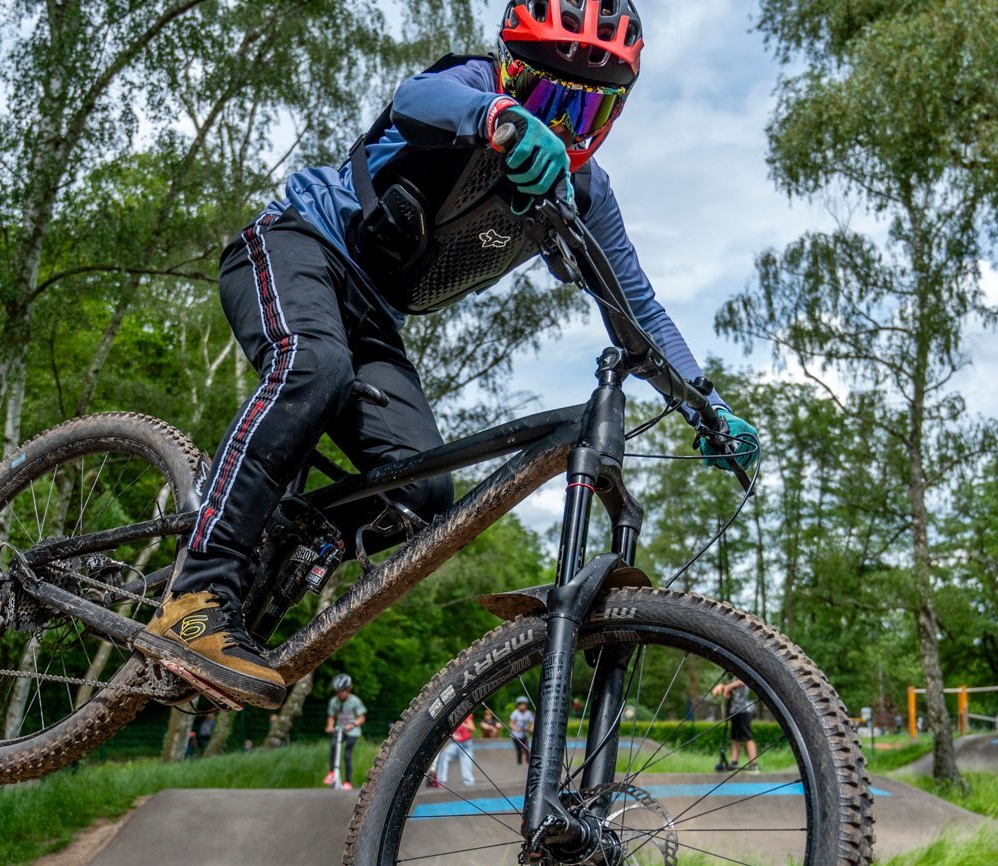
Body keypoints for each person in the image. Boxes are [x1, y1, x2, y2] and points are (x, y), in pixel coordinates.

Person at [129, 0, 759, 711]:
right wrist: (500, 118)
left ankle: (278, 547)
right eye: (545, 97)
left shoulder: (586, 193)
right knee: (314, 366)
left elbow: (635, 308)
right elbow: (414, 99)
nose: (558, 124)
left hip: (373, 319)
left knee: (421, 492)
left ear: (613, 115)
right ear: (511, 75)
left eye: (581, 113)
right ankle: (197, 593)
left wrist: (705, 403)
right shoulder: (467, 84)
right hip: (294, 246)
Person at [324, 674, 366, 790]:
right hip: (340, 730)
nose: (340, 694)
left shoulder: (355, 701)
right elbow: (331, 716)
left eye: (342, 691)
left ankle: (348, 782)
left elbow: (362, 718)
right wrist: (330, 726)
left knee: (347, 755)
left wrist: (353, 724)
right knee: (333, 746)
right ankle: (332, 773)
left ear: (348, 689)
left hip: (353, 731)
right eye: (338, 692)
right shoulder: (334, 701)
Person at [711, 678, 758, 770]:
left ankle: (754, 764)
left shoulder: (742, 673)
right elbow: (732, 688)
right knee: (735, 737)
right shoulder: (733, 678)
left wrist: (727, 687)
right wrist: (722, 687)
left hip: (744, 709)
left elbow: (742, 682)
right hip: (735, 710)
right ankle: (734, 762)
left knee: (747, 736)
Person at [432, 716, 478, 788]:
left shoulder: (464, 715)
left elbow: (472, 728)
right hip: (455, 744)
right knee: (444, 755)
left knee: (466, 764)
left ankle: (469, 783)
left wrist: (462, 724)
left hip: (465, 744)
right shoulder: (449, 717)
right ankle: (441, 781)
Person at [508, 696, 535, 765]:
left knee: (527, 750)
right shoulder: (515, 713)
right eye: (520, 704)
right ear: (518, 705)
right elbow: (510, 724)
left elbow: (532, 723)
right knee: (519, 750)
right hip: (515, 736)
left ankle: (528, 764)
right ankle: (519, 763)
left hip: (524, 735)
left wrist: (532, 728)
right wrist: (516, 728)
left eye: (524, 704)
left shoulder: (528, 713)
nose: (522, 706)